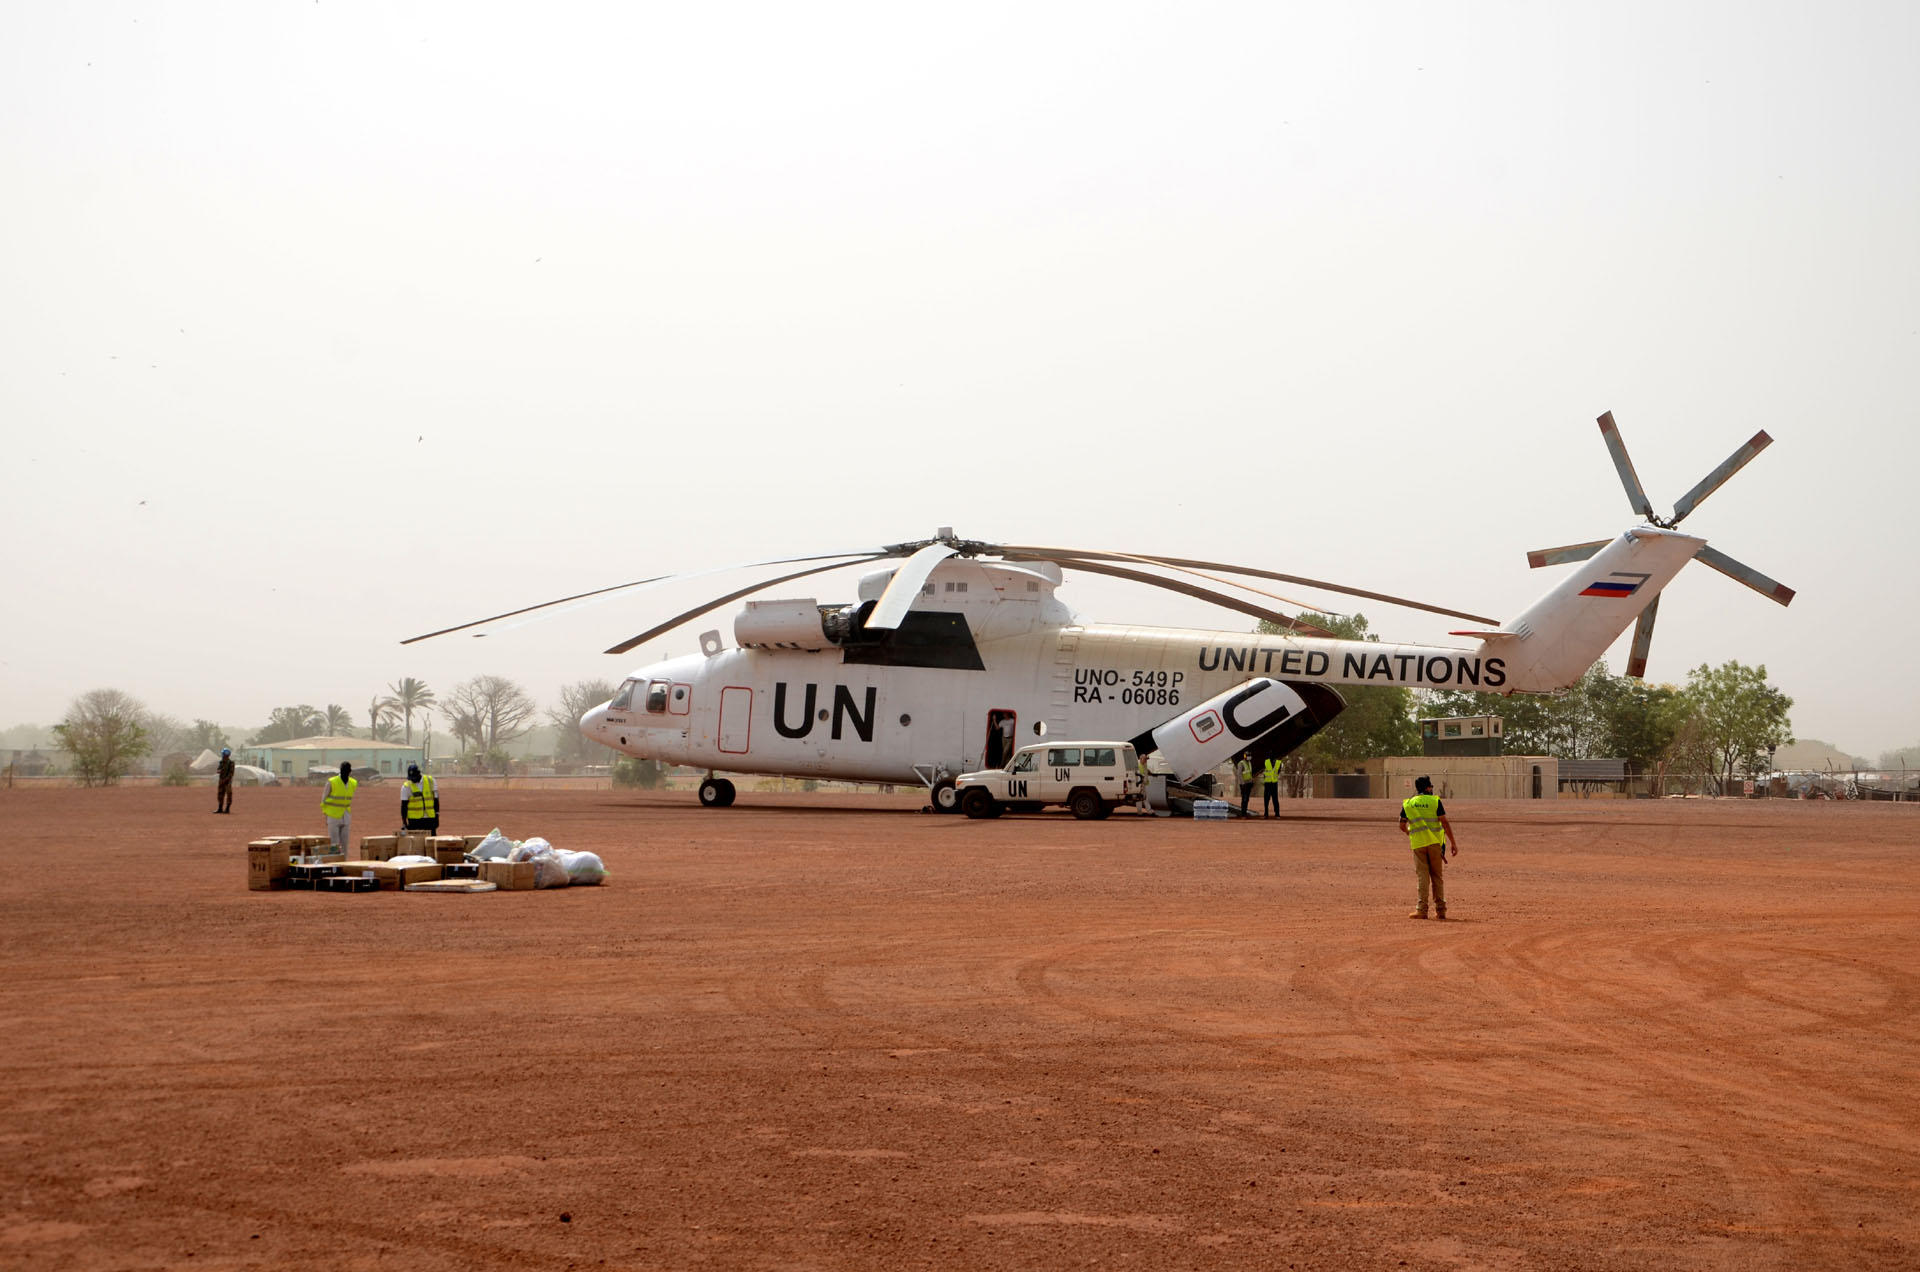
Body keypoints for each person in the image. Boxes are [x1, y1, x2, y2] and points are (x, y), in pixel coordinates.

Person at [1398, 775, 1458, 919]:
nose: (1432, 789)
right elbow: (1444, 822)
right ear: (1427, 788)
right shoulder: (1435, 801)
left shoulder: (1409, 803)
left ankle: (1422, 909)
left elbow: (1401, 825)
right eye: (1431, 786)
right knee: (1437, 876)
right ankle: (1441, 910)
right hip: (1435, 844)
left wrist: (1410, 833)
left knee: (1422, 877)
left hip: (1418, 844)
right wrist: (1453, 842)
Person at [321, 761, 357, 856]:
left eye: (347, 770)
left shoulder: (353, 783)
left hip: (346, 815)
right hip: (333, 815)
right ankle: (334, 864)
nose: (345, 772)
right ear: (340, 770)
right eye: (343, 770)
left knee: (345, 843)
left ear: (350, 771)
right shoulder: (332, 781)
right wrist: (326, 814)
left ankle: (343, 863)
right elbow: (324, 800)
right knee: (334, 843)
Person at [400, 763, 440, 834]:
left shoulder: (431, 781)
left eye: (414, 777)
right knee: (416, 843)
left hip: (430, 819)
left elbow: (436, 800)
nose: (412, 780)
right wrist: (404, 822)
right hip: (414, 821)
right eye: (411, 778)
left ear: (419, 773)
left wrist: (437, 816)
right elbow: (404, 806)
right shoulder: (406, 787)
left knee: (431, 842)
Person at [215, 747, 235, 814]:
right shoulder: (221, 762)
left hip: (227, 781)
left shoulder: (231, 763)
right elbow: (218, 769)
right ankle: (220, 808)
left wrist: (226, 779)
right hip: (221, 780)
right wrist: (219, 771)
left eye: (223, 754)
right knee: (220, 794)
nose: (223, 755)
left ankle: (227, 809)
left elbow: (231, 773)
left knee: (229, 794)